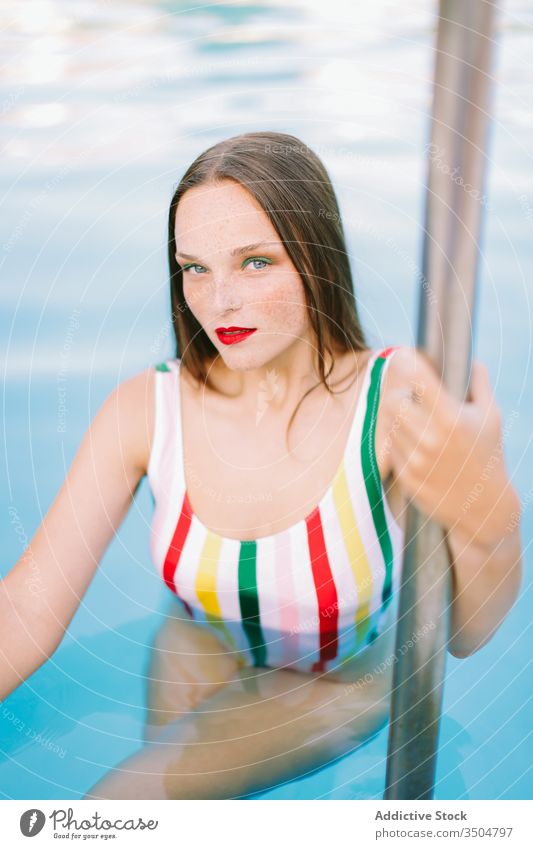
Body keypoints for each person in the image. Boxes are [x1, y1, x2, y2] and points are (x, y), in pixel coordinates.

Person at [0, 132, 523, 800]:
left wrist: (487, 513)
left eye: (254, 262)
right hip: (195, 649)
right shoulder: (147, 407)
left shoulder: (391, 399)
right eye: (194, 268)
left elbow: (469, 634)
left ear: (316, 256)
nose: (218, 301)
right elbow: (22, 607)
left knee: (120, 807)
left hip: (336, 680)